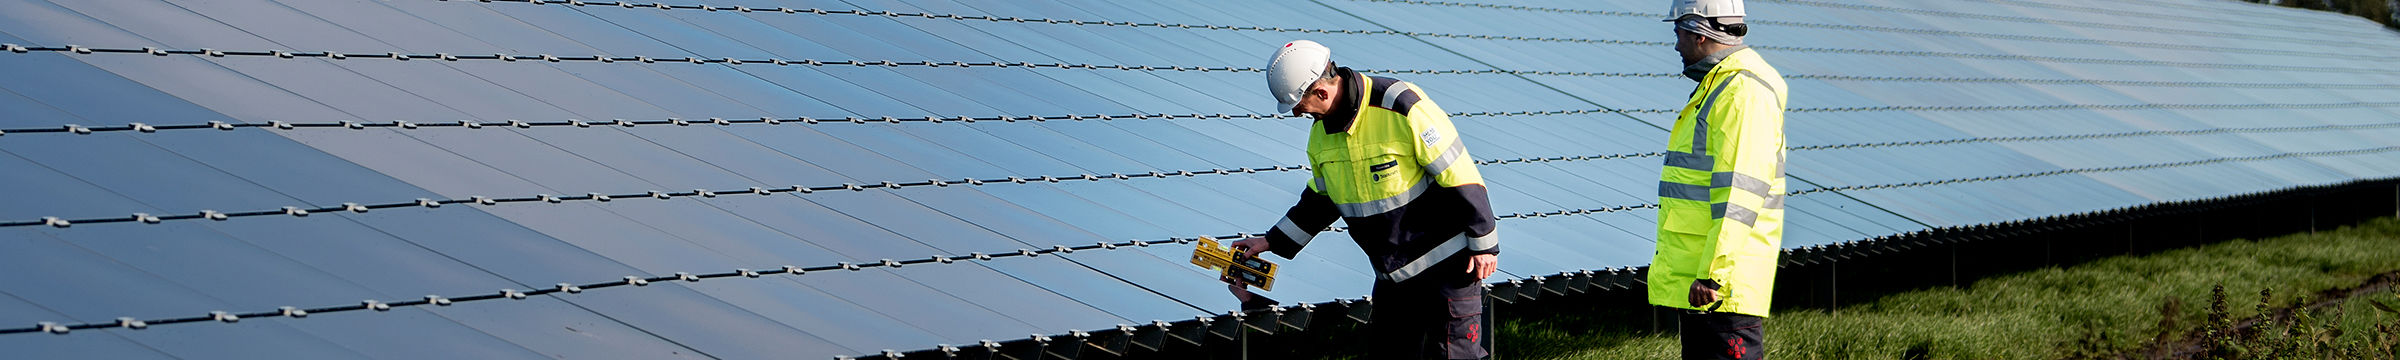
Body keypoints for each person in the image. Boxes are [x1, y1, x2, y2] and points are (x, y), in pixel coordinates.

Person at [1229, 39, 1502, 360]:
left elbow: (1458, 171)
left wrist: (1484, 243)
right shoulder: (1321, 136)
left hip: (1449, 269)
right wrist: (1270, 241)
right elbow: (1321, 199)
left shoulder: (1400, 105)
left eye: (1298, 105)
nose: (1298, 113)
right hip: (1394, 278)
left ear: (1321, 92)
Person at [1647, 0, 1789, 359]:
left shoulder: (1741, 93)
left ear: (1699, 33)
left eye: (1678, 32)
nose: (1676, 44)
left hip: (1720, 287)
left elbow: (1739, 194)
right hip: (1709, 284)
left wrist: (1713, 274)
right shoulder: (1722, 86)